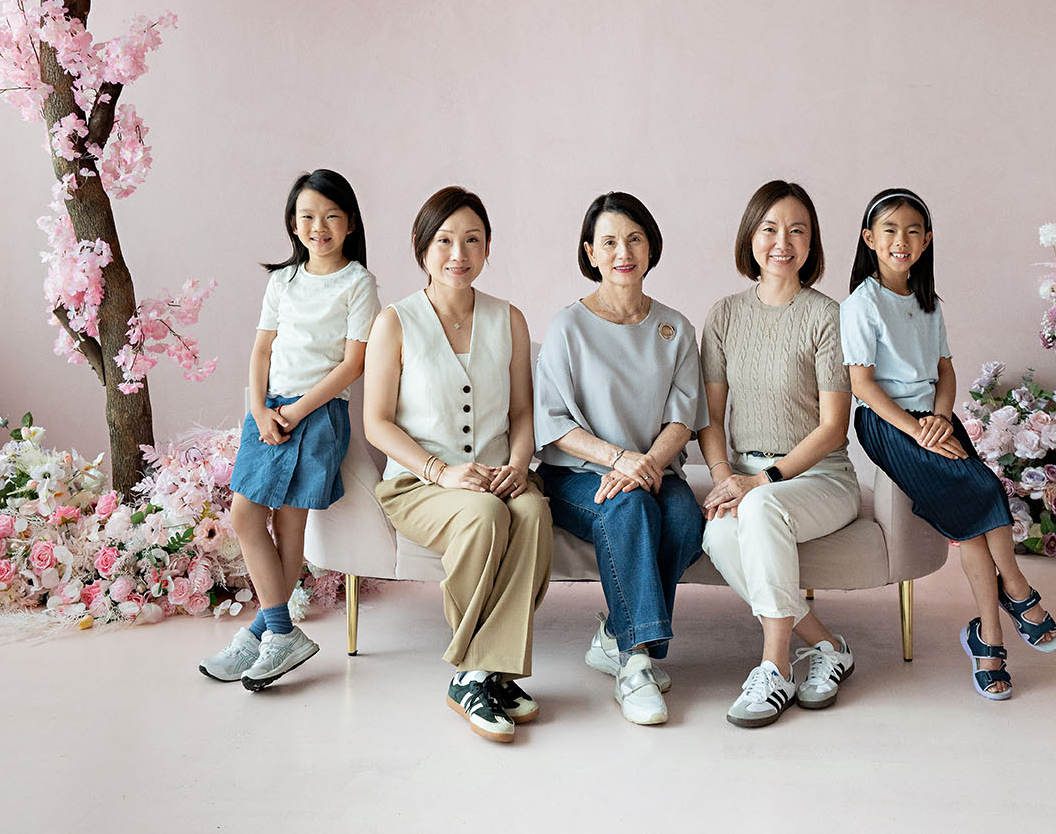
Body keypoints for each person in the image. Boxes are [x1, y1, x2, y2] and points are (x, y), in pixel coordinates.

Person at [840, 187, 1056, 701]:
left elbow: (945, 371)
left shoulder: (928, 303)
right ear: (870, 239)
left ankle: (988, 636)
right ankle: (1018, 592)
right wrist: (917, 428)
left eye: (913, 230)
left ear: (927, 240)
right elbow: (862, 386)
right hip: (888, 424)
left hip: (934, 420)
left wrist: (941, 417)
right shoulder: (861, 304)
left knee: (973, 524)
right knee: (985, 492)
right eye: (890, 230)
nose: (902, 240)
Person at [364, 186, 552, 744]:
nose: (458, 253)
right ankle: (476, 673)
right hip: (420, 486)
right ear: (422, 248)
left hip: (500, 475)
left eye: (472, 240)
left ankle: (485, 672)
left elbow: (521, 412)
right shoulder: (394, 322)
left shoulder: (508, 319)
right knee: (484, 518)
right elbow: (377, 422)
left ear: (488, 248)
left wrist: (519, 465)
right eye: (444, 240)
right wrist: (440, 472)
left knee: (534, 515)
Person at [201, 168, 379, 690]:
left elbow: (352, 365)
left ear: (349, 223)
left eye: (330, 216)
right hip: (268, 413)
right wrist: (259, 410)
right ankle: (276, 630)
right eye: (306, 216)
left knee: (290, 525)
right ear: (293, 223)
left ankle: (269, 633)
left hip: (318, 416)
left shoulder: (358, 283)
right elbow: (261, 350)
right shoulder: (282, 280)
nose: (317, 226)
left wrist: (297, 411)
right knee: (246, 515)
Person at [535, 192, 706, 727]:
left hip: (653, 470)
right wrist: (620, 460)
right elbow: (554, 423)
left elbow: (684, 416)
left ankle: (615, 635)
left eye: (633, 239)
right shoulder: (568, 327)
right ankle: (635, 666)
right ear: (590, 252)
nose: (622, 251)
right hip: (577, 477)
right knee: (630, 510)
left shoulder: (676, 328)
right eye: (608, 241)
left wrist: (646, 463)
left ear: (651, 247)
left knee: (682, 518)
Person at [698, 180, 862, 727]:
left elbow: (834, 428)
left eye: (797, 230)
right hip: (745, 475)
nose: (782, 242)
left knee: (759, 509)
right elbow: (712, 418)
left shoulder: (826, 316)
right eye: (769, 228)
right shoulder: (723, 315)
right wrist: (725, 476)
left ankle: (774, 668)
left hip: (820, 478)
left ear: (812, 244)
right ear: (750, 237)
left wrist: (762, 481)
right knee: (718, 531)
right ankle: (827, 646)